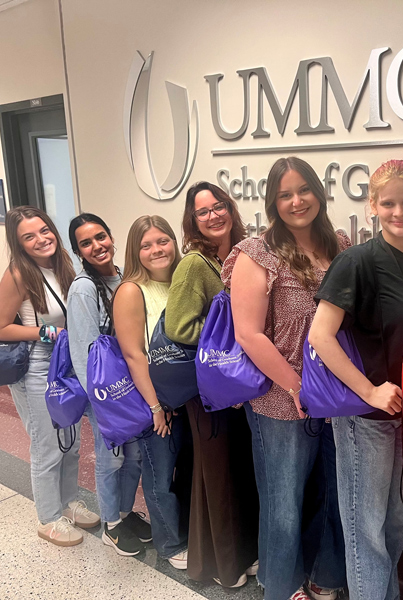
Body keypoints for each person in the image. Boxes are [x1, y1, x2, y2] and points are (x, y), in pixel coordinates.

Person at [309, 159, 403, 600]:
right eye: (388, 203)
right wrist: (369, 391)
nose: (398, 212)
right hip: (366, 417)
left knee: (398, 518)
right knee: (366, 526)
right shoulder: (356, 261)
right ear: (373, 208)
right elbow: (320, 336)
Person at [222, 157, 347, 600]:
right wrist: (298, 386)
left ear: (319, 191)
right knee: (284, 508)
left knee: (334, 498)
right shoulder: (256, 253)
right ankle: (280, 588)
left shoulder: (342, 246)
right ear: (274, 202)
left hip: (339, 401)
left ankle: (326, 579)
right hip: (280, 400)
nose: (297, 201)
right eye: (285, 194)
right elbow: (249, 334)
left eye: (304, 190)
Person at [165, 182, 259, 587]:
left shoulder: (243, 255)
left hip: (241, 387)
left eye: (218, 206)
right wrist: (232, 331)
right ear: (192, 220)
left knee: (240, 470)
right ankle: (224, 566)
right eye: (203, 212)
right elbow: (179, 326)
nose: (213, 215)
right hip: (210, 388)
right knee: (217, 476)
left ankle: (245, 552)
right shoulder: (193, 265)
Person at [0, 206, 99, 546]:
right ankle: (48, 517)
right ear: (19, 244)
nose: (41, 239)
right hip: (38, 368)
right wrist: (41, 331)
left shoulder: (64, 262)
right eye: (29, 237)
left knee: (71, 441)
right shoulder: (19, 274)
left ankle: (68, 503)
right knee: (47, 445)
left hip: (67, 363)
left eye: (44, 231)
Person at [66, 213, 151, 557]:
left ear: (111, 238)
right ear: (79, 252)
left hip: (134, 387)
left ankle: (126, 513)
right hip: (106, 394)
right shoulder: (83, 289)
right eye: (86, 243)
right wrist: (101, 405)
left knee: (134, 457)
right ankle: (111, 526)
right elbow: (83, 350)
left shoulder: (126, 279)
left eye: (100, 237)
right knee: (111, 458)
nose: (97, 246)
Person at [111, 215, 188, 569]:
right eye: (146, 245)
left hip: (189, 399)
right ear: (135, 251)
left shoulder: (181, 282)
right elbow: (133, 353)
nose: (157, 250)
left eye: (163, 241)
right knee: (161, 476)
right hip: (157, 404)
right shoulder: (131, 290)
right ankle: (170, 545)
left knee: (183, 471)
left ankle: (188, 533)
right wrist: (156, 406)